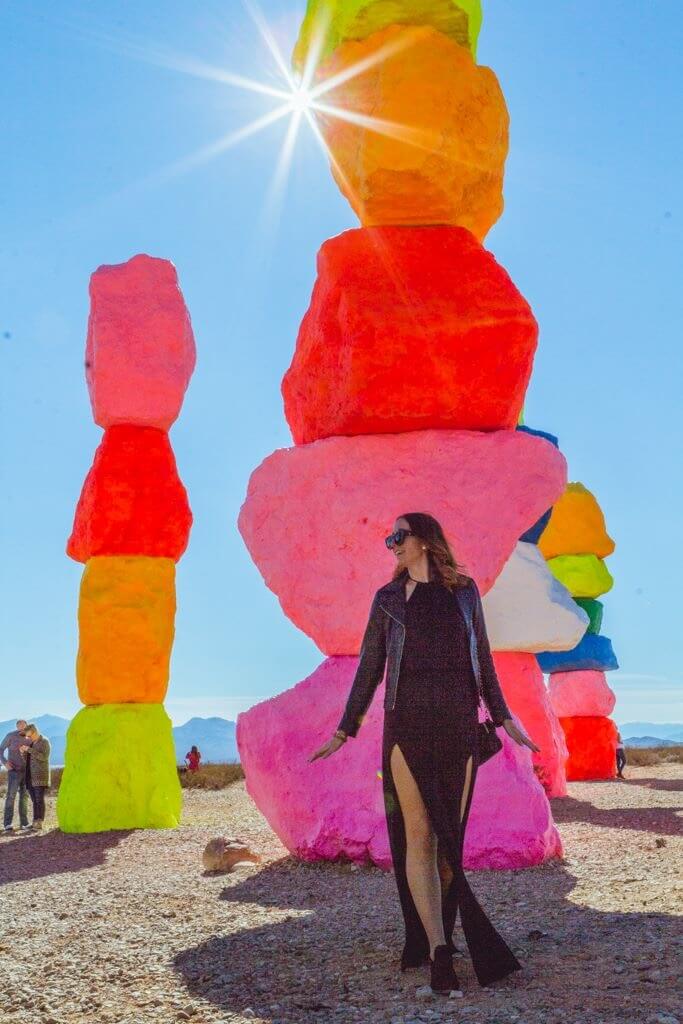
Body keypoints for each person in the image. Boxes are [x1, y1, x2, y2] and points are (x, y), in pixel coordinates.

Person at [310, 513, 540, 995]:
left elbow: (483, 657)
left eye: (399, 536)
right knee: (420, 838)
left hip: (458, 725)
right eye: (389, 537)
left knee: (450, 848)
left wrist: (504, 717)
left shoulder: (465, 592)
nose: (391, 544)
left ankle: (445, 934)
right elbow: (371, 666)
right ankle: (439, 949)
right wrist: (346, 728)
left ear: (424, 540)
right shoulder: (389, 599)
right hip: (405, 729)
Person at [1, 719, 32, 833]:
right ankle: (7, 824)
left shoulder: (29, 739)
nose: (22, 728)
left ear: (27, 726)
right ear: (17, 726)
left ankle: (24, 823)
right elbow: (1, 749)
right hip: (13, 771)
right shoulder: (10, 736)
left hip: (26, 772)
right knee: (11, 796)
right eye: (19, 726)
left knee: (24, 797)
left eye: (24, 726)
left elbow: (32, 752)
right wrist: (4, 762)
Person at [22, 724, 51, 831]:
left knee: (39, 800)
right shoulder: (32, 743)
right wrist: (23, 753)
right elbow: (28, 760)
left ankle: (39, 822)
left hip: (40, 775)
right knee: (34, 801)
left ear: (34, 732)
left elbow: (44, 757)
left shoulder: (44, 741)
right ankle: (34, 821)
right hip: (30, 776)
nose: (28, 738)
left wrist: (29, 750)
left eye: (29, 736)